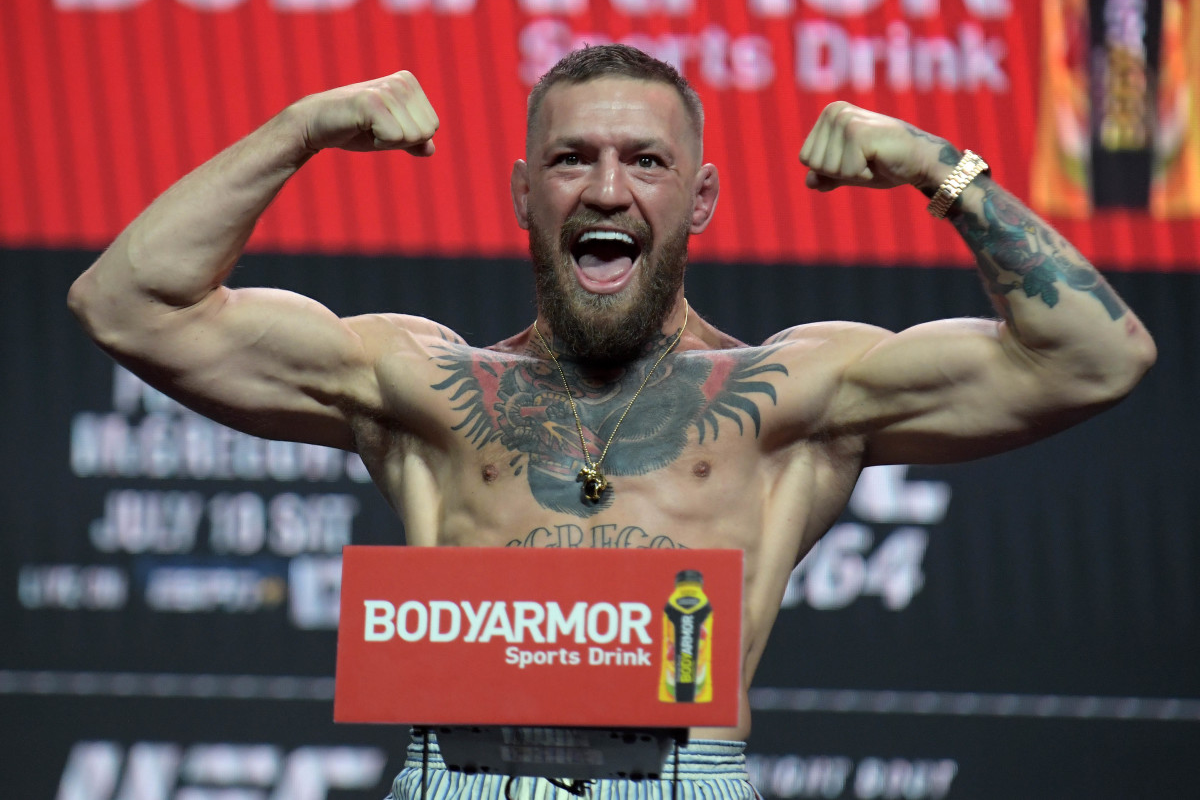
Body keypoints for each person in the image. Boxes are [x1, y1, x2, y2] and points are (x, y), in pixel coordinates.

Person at [68, 45, 1156, 799]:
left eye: (645, 162)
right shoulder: (420, 384)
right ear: (521, 193)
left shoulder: (792, 396)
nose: (606, 187)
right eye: (570, 158)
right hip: (462, 770)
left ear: (702, 199)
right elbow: (127, 302)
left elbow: (1098, 356)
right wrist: (304, 126)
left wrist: (936, 164)